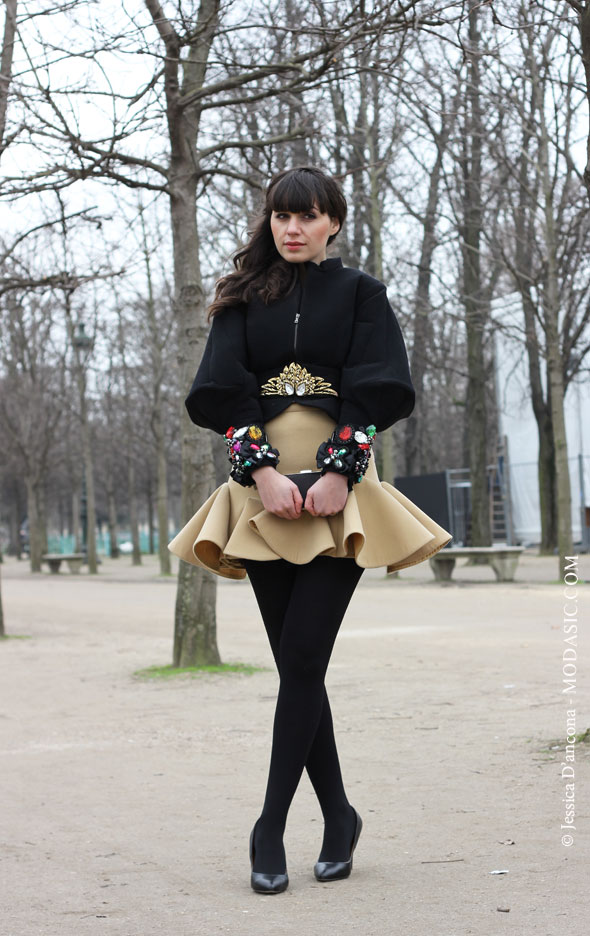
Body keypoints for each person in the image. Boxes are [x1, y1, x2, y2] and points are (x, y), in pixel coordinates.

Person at [168, 166, 452, 894]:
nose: (291, 228)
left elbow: (379, 384)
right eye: (280, 217)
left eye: (307, 216)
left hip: (340, 497)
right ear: (270, 222)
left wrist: (337, 470)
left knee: (300, 656)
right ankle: (339, 815)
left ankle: (268, 827)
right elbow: (222, 391)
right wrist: (260, 470)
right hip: (259, 499)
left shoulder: (361, 294)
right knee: (302, 670)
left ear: (333, 222)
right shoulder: (241, 299)